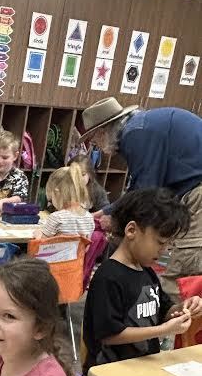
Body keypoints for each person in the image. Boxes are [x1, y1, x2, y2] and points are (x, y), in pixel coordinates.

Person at [80, 97, 202, 301]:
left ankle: (166, 316)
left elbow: (147, 193)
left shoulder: (135, 134)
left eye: (94, 141)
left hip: (197, 193)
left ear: (102, 132)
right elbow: (138, 188)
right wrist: (106, 212)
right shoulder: (139, 127)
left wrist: (116, 220)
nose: (97, 146)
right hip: (191, 189)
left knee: (181, 273)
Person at [82, 188, 201, 373]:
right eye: (160, 242)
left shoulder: (147, 272)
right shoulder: (108, 276)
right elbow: (109, 335)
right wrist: (164, 330)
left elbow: (163, 311)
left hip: (142, 366)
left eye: (169, 244)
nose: (165, 250)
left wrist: (183, 309)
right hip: (110, 371)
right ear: (132, 230)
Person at [35, 163, 94, 240]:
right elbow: (87, 244)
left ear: (57, 192)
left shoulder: (56, 217)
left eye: (51, 198)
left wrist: (37, 234)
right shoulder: (89, 218)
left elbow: (42, 244)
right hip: (78, 249)